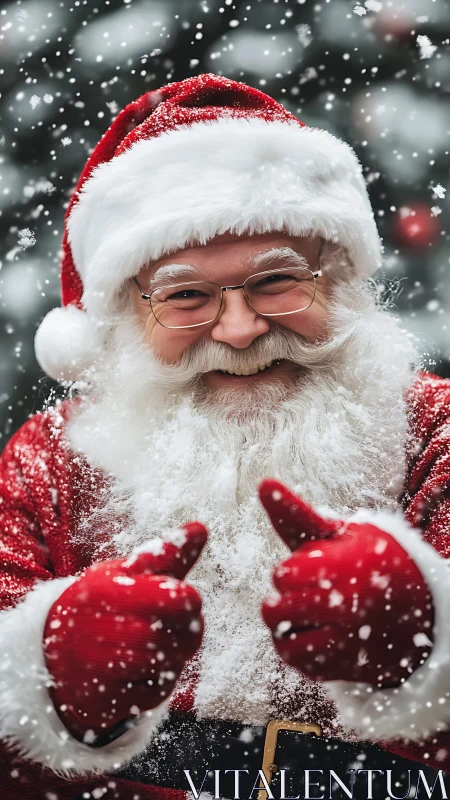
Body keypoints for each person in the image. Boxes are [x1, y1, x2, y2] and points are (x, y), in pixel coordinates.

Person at [0, 73, 449, 800]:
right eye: (185, 296)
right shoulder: (50, 463)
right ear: (120, 321)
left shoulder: (436, 433)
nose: (239, 330)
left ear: (338, 280)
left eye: (277, 281)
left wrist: (429, 644)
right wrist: (45, 688)